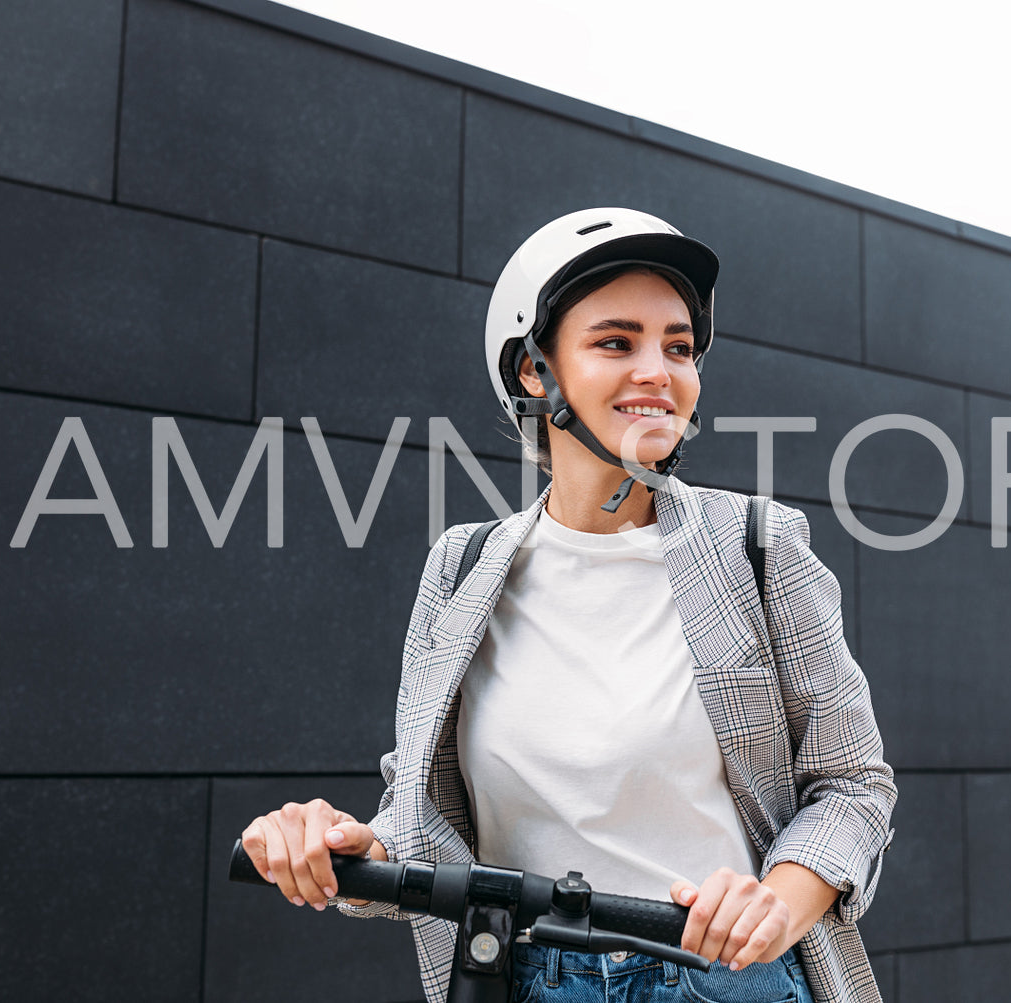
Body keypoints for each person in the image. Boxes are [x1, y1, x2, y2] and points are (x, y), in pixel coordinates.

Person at [241, 208, 896, 1002]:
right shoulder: (461, 567)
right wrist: (330, 847)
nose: (659, 370)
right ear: (532, 370)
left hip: (722, 980)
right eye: (616, 342)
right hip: (519, 977)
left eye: (678, 346)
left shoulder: (758, 545)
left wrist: (773, 907)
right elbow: (423, 823)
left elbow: (851, 785)